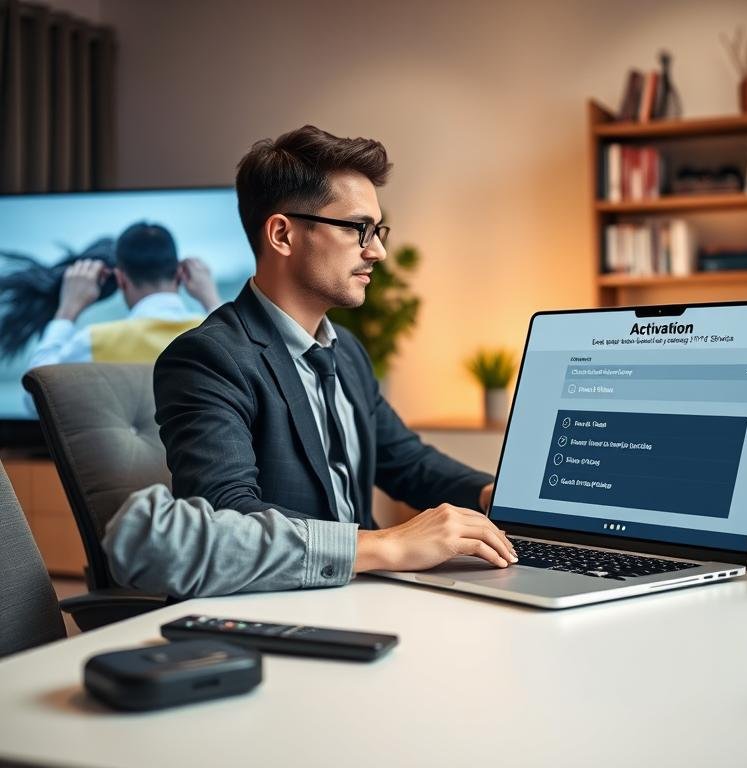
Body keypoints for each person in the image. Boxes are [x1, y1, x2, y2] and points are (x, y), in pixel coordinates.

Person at [150, 126, 516, 592]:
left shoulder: (345, 352)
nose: (377, 251)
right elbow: (226, 516)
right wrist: (388, 545)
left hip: (366, 594)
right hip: (278, 607)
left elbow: (404, 460)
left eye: (377, 230)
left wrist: (497, 497)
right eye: (358, 228)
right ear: (282, 234)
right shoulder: (209, 358)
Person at [25, 222, 222, 369]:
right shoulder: (217, 338)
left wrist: (67, 310)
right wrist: (212, 300)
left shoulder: (93, 342)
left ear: (120, 278)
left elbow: (36, 396)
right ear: (180, 273)